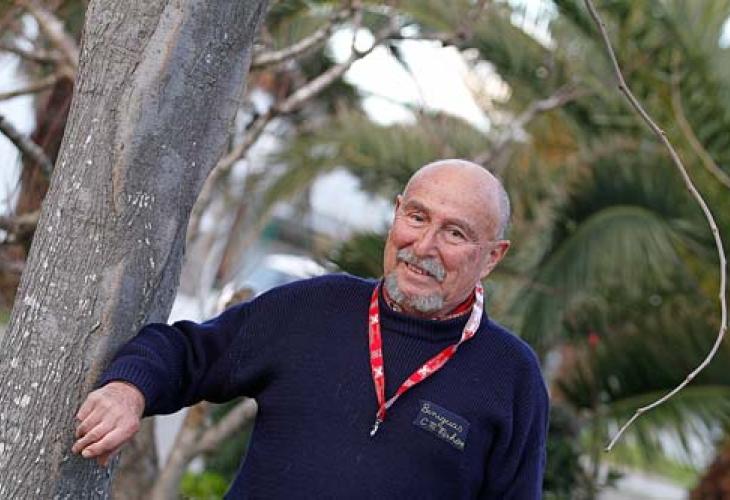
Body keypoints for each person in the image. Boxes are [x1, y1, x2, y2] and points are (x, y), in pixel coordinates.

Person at [72, 159, 549, 498]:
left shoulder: (512, 378)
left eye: (455, 233)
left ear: (492, 256)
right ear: (397, 213)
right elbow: (188, 352)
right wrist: (127, 390)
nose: (424, 245)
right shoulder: (315, 307)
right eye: (417, 217)